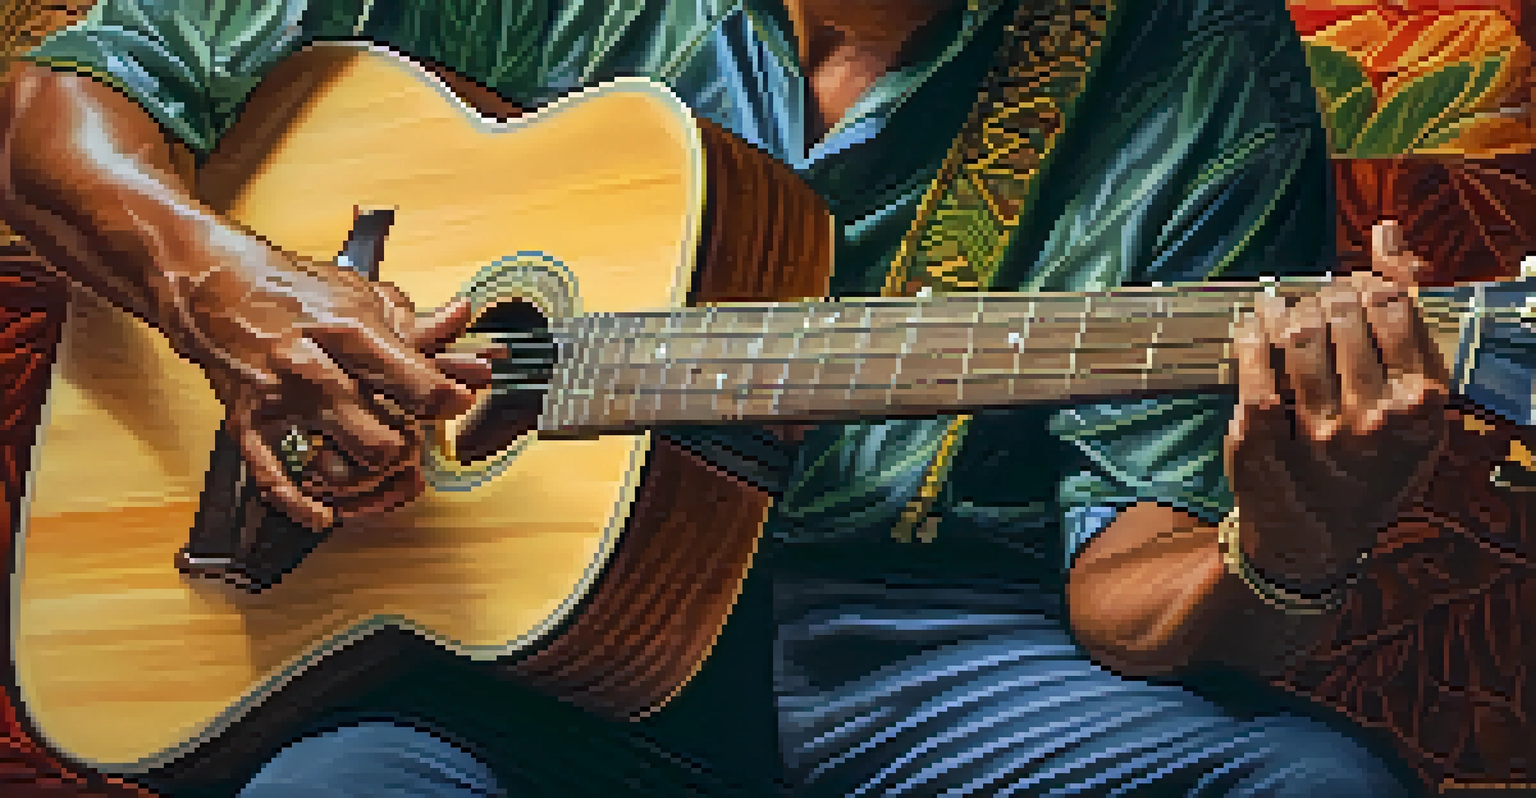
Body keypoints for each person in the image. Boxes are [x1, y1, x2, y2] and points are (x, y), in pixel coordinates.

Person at [0, 0, 1448, 795]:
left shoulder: (1189, 50)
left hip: (929, 651)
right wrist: (233, 290)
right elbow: (61, 110)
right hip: (500, 661)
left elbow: (1130, 585)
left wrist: (1293, 539)